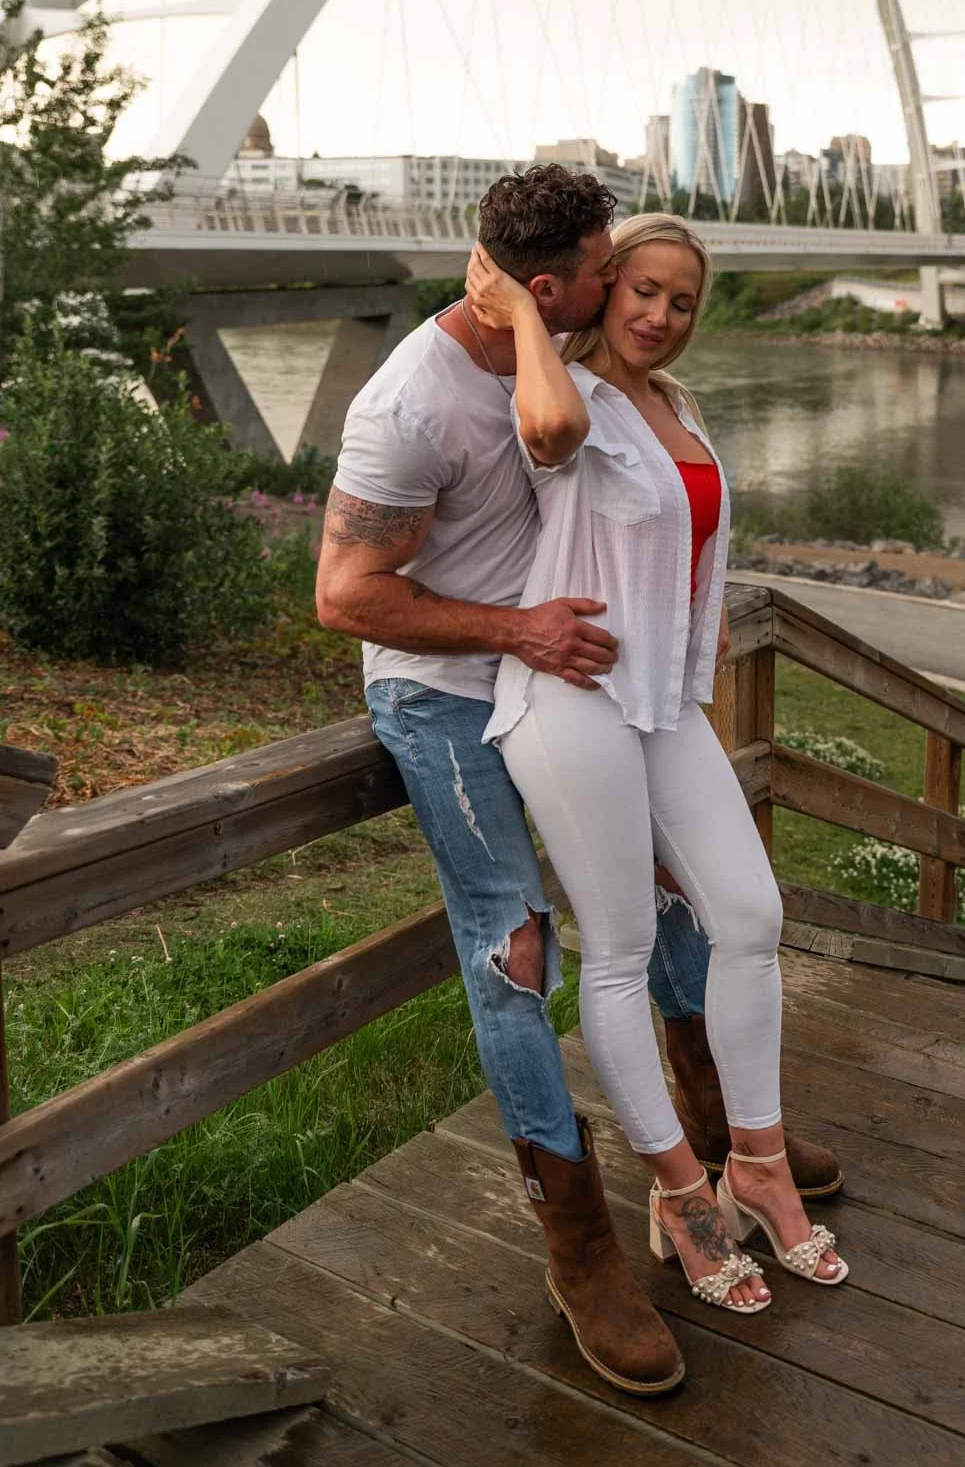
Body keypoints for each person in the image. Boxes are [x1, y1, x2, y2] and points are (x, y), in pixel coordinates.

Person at [316, 167, 841, 1390]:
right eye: (616, 277)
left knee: (687, 906)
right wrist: (519, 633)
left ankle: (723, 1139)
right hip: (443, 681)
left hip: (586, 670)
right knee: (517, 949)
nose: (635, 297)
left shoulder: (575, 345)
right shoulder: (411, 402)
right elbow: (344, 597)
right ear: (551, 289)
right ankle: (580, 1240)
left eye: (660, 286)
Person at [471, 211, 847, 1317]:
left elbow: (693, 544)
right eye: (639, 290)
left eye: (682, 301)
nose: (659, 315)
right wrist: (517, 312)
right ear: (599, 289)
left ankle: (759, 1163)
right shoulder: (566, 393)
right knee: (623, 949)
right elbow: (544, 434)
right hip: (569, 699)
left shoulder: (680, 406)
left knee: (750, 915)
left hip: (662, 704)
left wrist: (700, 626)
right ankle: (680, 1192)